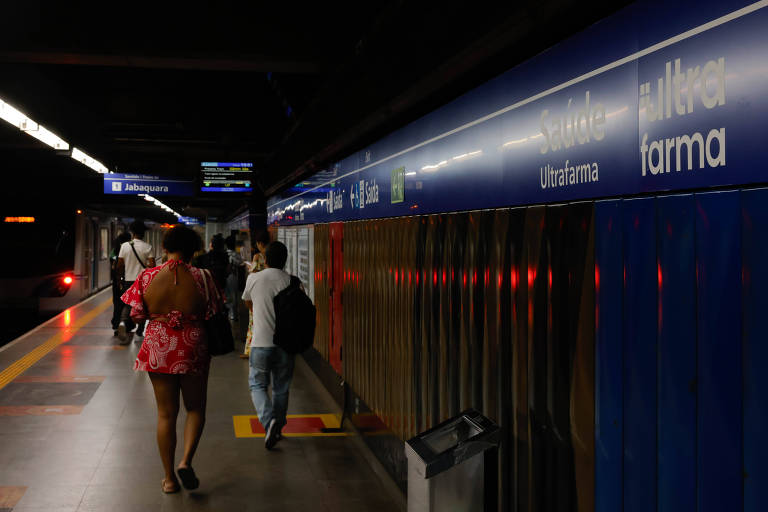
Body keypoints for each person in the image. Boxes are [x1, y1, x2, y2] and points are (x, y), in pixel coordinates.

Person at [121, 225, 223, 494]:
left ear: (164, 248)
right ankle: (186, 461)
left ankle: (168, 479)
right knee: (195, 408)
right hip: (193, 346)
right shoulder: (203, 276)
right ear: (194, 250)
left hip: (158, 346)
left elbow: (136, 315)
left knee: (166, 414)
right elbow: (214, 309)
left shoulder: (146, 277)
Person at [242, 241, 295, 450]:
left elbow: (248, 302)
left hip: (261, 343)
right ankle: (278, 428)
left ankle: (268, 421)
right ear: (285, 259)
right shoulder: (292, 281)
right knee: (281, 388)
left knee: (257, 384)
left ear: (266, 259)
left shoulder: (254, 279)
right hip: (286, 344)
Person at [117, 220, 155, 344]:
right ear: (143, 233)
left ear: (132, 232)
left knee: (128, 304)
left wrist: (120, 280)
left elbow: (120, 265)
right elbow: (152, 266)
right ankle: (140, 330)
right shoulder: (147, 247)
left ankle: (123, 322)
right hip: (143, 282)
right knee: (142, 306)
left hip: (128, 280)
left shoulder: (124, 246)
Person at [240, 230, 271, 359]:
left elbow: (253, 272)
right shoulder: (271, 255)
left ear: (259, 243)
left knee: (253, 321)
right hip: (269, 290)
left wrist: (250, 267)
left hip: (257, 290)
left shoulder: (258, 256)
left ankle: (250, 350)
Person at [110, 231, 132, 335]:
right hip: (128, 280)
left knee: (117, 303)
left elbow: (113, 264)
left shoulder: (115, 250)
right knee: (127, 304)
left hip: (117, 281)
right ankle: (127, 325)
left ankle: (116, 324)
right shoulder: (129, 250)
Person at [225, 234, 245, 321]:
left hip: (224, 276)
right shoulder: (235, 254)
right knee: (234, 295)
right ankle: (233, 314)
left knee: (226, 295)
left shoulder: (224, 253)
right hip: (232, 276)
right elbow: (241, 263)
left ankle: (228, 312)